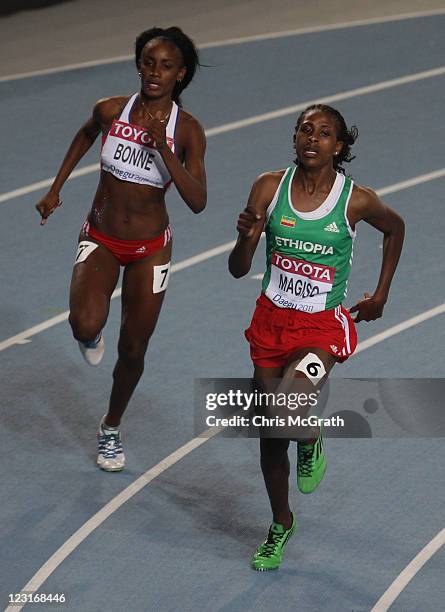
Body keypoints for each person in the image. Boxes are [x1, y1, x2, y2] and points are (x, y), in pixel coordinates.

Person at [228, 104, 404, 570]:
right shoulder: (269, 187)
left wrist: (381, 295)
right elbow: (237, 268)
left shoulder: (355, 200)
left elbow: (395, 228)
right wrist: (247, 237)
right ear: (295, 137)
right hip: (270, 323)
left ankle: (311, 439)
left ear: (339, 146)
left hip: (320, 328)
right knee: (270, 434)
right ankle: (280, 525)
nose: (313, 138)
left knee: (288, 411)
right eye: (305, 129)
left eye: (325, 133)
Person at [36, 27, 206, 471]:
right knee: (83, 322)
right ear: (138, 65)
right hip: (101, 236)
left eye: (166, 66)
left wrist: (163, 150)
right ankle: (91, 333)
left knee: (133, 348)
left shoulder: (186, 130)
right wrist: (56, 189)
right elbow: (84, 135)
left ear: (181, 74)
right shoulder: (111, 110)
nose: (155, 72)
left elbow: (198, 200)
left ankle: (110, 427)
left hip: (151, 249)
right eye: (148, 62)